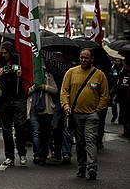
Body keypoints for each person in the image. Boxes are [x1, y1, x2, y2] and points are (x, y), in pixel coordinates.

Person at [60, 48, 110, 180]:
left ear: (92, 59)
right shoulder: (71, 72)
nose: (83, 60)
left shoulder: (99, 75)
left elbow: (105, 95)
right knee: (80, 142)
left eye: (86, 58)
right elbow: (64, 91)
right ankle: (81, 167)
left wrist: (97, 110)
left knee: (90, 141)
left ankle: (92, 167)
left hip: (91, 116)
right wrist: (66, 105)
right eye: (82, 57)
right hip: (75, 114)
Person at [0, 41, 28, 167]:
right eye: (2, 53)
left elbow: (21, 72)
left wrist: (16, 73)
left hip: (17, 99)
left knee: (20, 127)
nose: (4, 55)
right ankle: (9, 156)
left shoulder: (18, 62)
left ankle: (22, 153)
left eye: (5, 53)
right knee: (6, 130)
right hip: (4, 101)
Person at [29, 62, 58, 165]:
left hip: (47, 110)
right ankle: (36, 154)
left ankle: (43, 155)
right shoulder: (31, 77)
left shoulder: (49, 77)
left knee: (45, 134)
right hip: (34, 110)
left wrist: (44, 87)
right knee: (36, 133)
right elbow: (26, 91)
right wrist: (34, 87)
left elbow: (55, 90)